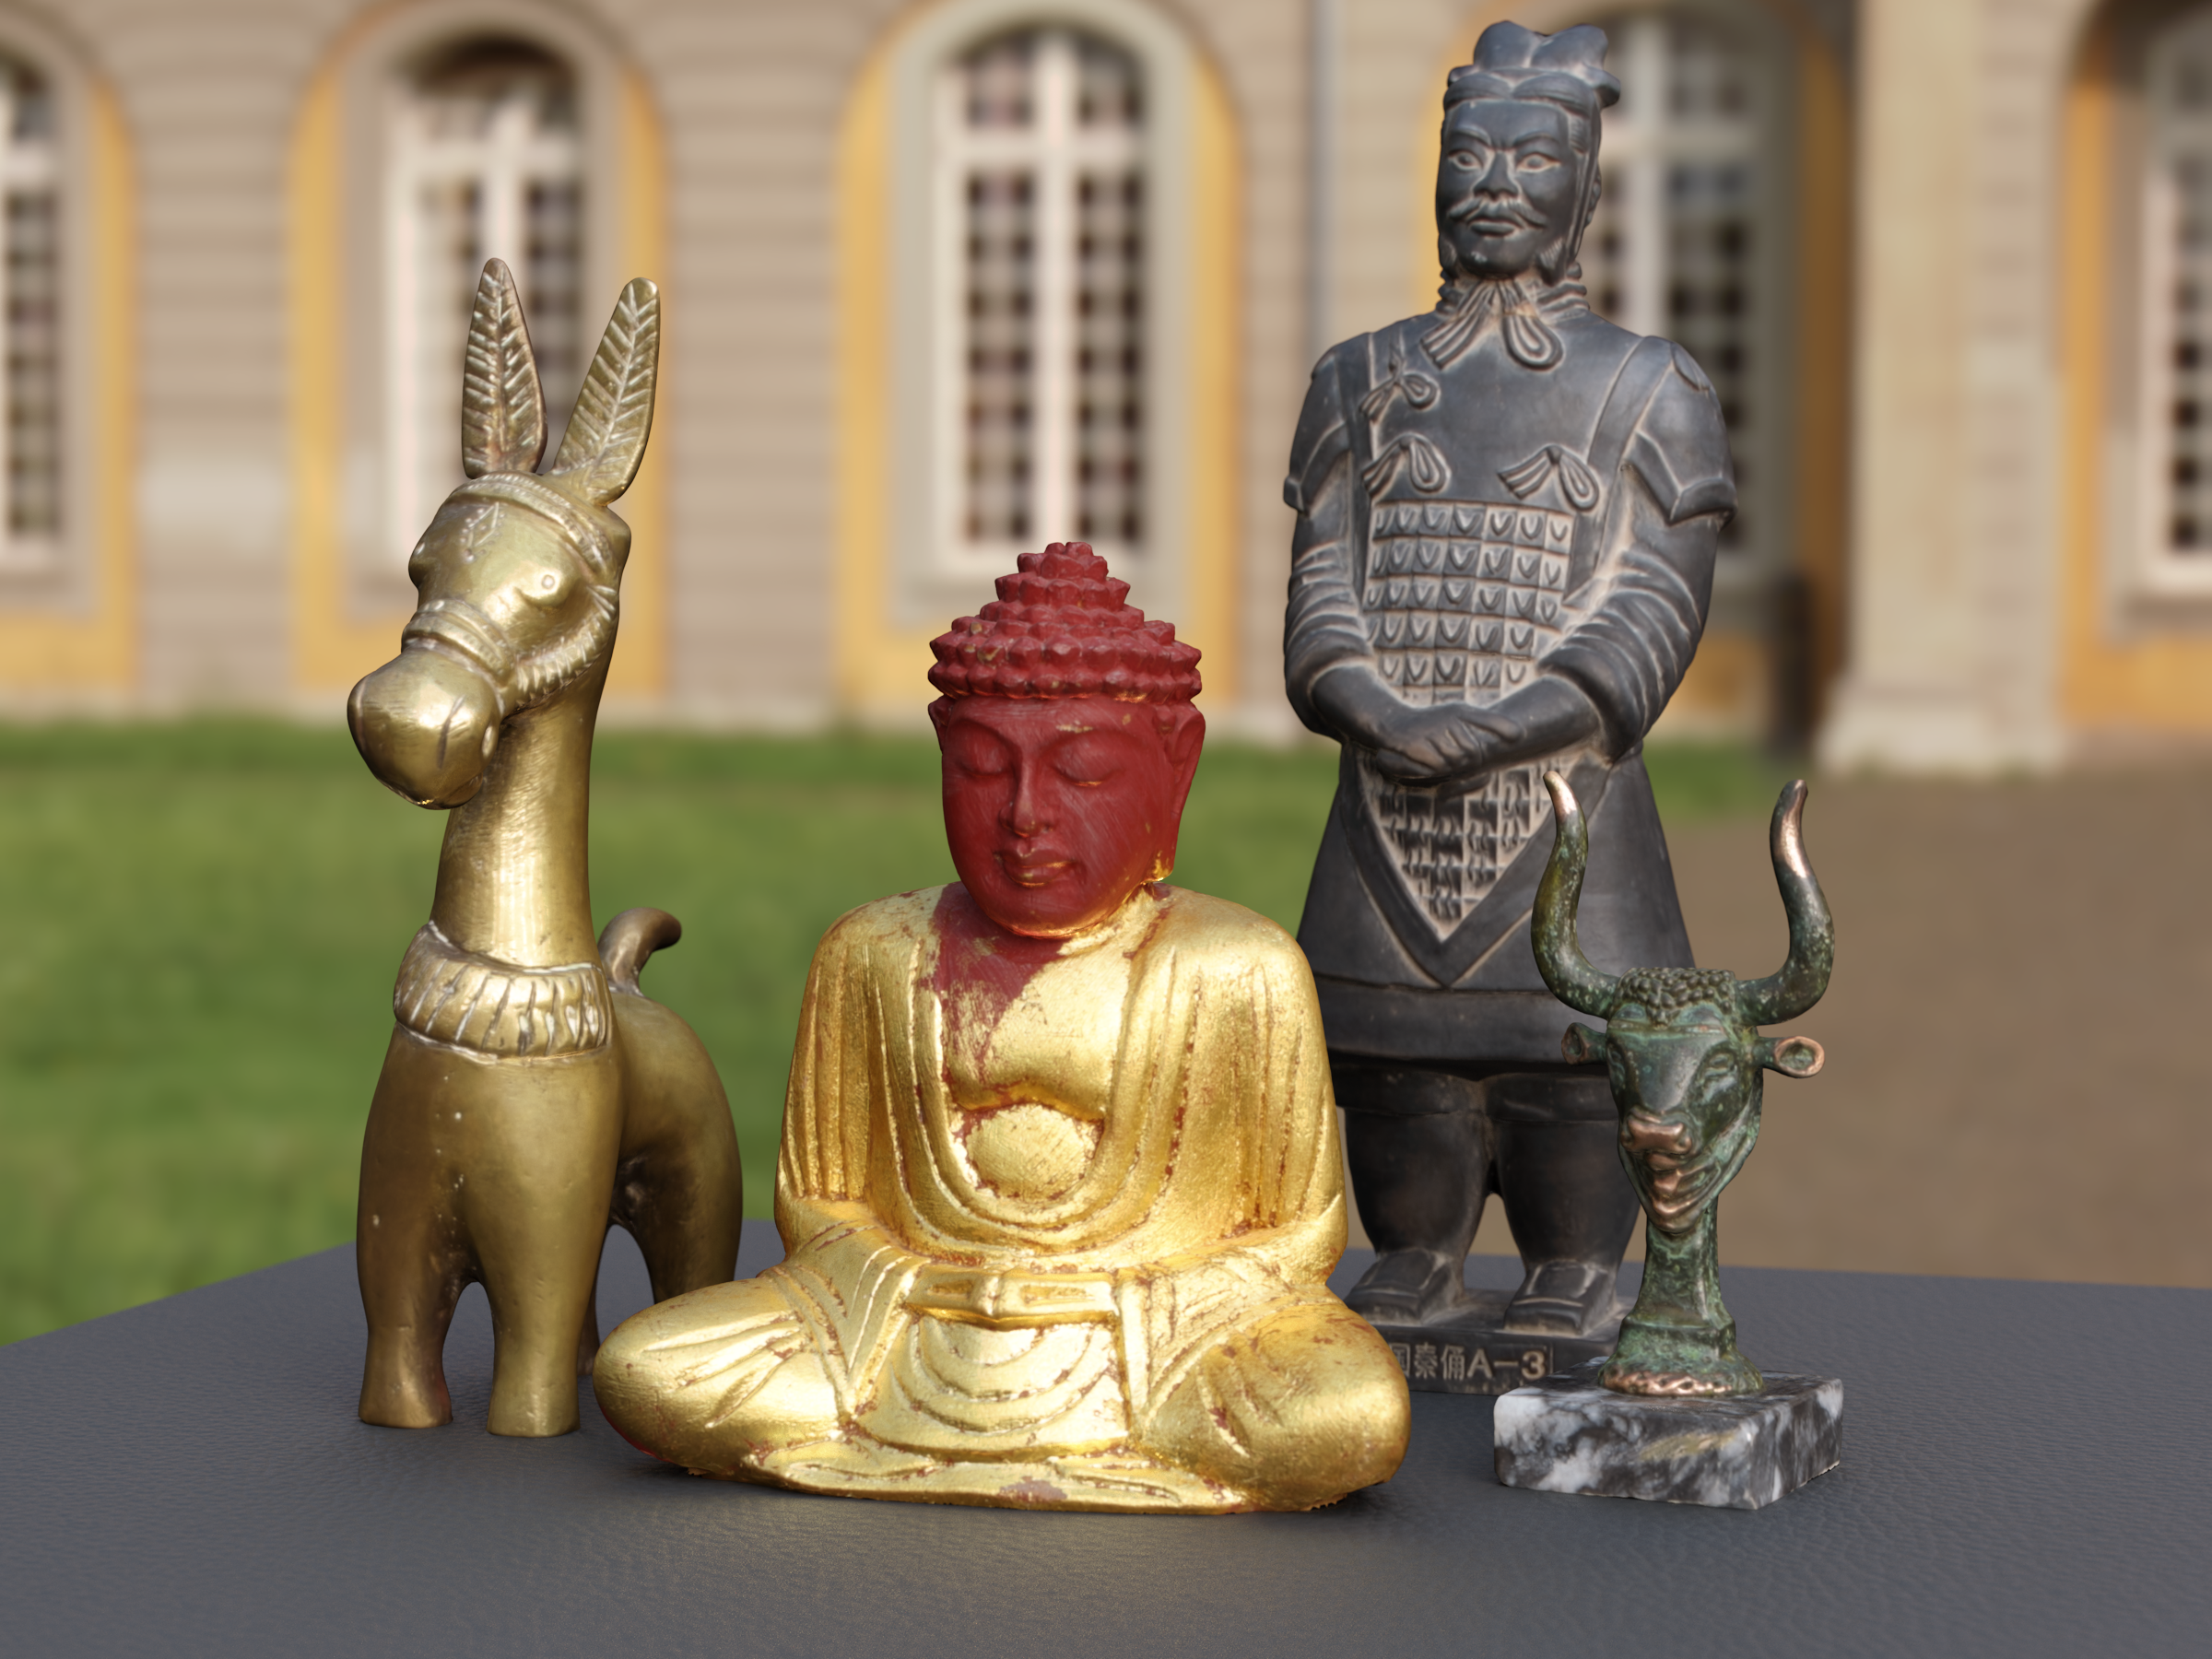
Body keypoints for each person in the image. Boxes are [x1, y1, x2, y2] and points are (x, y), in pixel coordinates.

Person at [594, 543, 1408, 1512]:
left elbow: (1299, 1231)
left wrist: (1115, 1305)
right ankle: (1068, 1450)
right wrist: (933, 1290)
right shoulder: (874, 951)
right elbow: (818, 1204)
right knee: (648, 1370)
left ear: (1175, 767)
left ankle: (1019, 1438)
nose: (1025, 815)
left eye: (1082, 774)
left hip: (1167, 1343)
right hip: (906, 1327)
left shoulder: (1238, 965)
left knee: (1351, 1413)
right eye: (982, 769)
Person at [1283, 22, 1735, 1336]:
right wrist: (1370, 704)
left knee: (1569, 1055)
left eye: (1531, 161)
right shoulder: (1358, 378)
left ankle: (1572, 1267)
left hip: (1567, 806)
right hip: (1387, 801)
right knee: (1393, 1064)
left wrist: (1519, 721)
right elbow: (1322, 577)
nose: (1491, 185)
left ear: (1583, 188)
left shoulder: (1650, 387)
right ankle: (1413, 1252)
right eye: (1467, 156)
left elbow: (1655, 600)